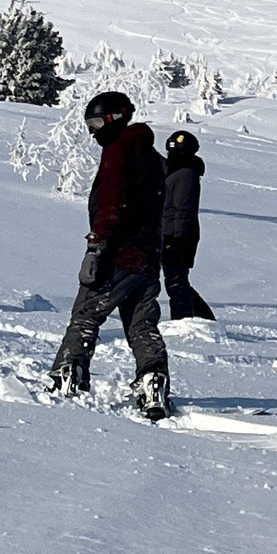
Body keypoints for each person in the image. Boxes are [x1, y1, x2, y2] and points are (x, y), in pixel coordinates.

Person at [48, 90, 172, 417]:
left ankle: (68, 374)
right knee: (141, 324)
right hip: (146, 258)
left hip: (119, 254)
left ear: (114, 118)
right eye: (88, 123)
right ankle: (152, 380)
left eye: (96, 122)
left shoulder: (119, 150)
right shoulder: (151, 156)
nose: (92, 131)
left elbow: (113, 202)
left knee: (87, 312)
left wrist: (96, 245)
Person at [161, 128, 215, 322]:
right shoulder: (173, 170)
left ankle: (184, 320)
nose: (171, 154)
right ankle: (202, 319)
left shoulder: (186, 174)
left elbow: (184, 209)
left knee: (176, 281)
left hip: (180, 235)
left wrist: (178, 239)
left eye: (176, 150)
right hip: (169, 233)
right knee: (175, 280)